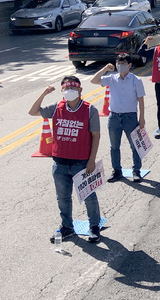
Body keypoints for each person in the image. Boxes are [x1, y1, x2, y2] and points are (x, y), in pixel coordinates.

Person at [29, 76, 102, 244]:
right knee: (62, 198)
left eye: (73, 89)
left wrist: (92, 160)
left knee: (89, 196)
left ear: (80, 90)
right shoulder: (56, 108)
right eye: (66, 89)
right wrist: (44, 93)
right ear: (62, 91)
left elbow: (96, 136)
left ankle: (94, 226)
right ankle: (67, 227)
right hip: (60, 163)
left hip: (81, 163)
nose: (69, 92)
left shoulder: (90, 110)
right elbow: (33, 111)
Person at [90, 54, 145, 183]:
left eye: (123, 63)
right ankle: (117, 170)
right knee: (114, 146)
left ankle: (136, 170)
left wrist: (142, 118)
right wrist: (104, 69)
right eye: (118, 63)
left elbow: (141, 100)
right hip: (114, 117)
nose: (120, 66)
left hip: (130, 117)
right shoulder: (112, 78)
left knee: (134, 145)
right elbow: (93, 80)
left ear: (129, 65)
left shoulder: (136, 80)